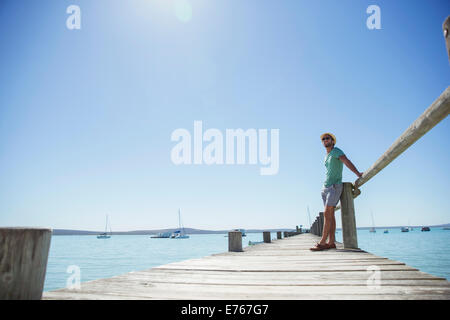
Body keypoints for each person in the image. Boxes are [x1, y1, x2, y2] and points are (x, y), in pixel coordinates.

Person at [310, 133, 363, 251]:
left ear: (332, 141)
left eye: (327, 138)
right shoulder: (326, 155)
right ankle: (331, 242)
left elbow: (346, 161)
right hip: (325, 187)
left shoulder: (336, 151)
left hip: (334, 186)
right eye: (323, 139)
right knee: (330, 215)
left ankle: (322, 242)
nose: (325, 140)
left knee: (326, 214)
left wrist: (358, 173)